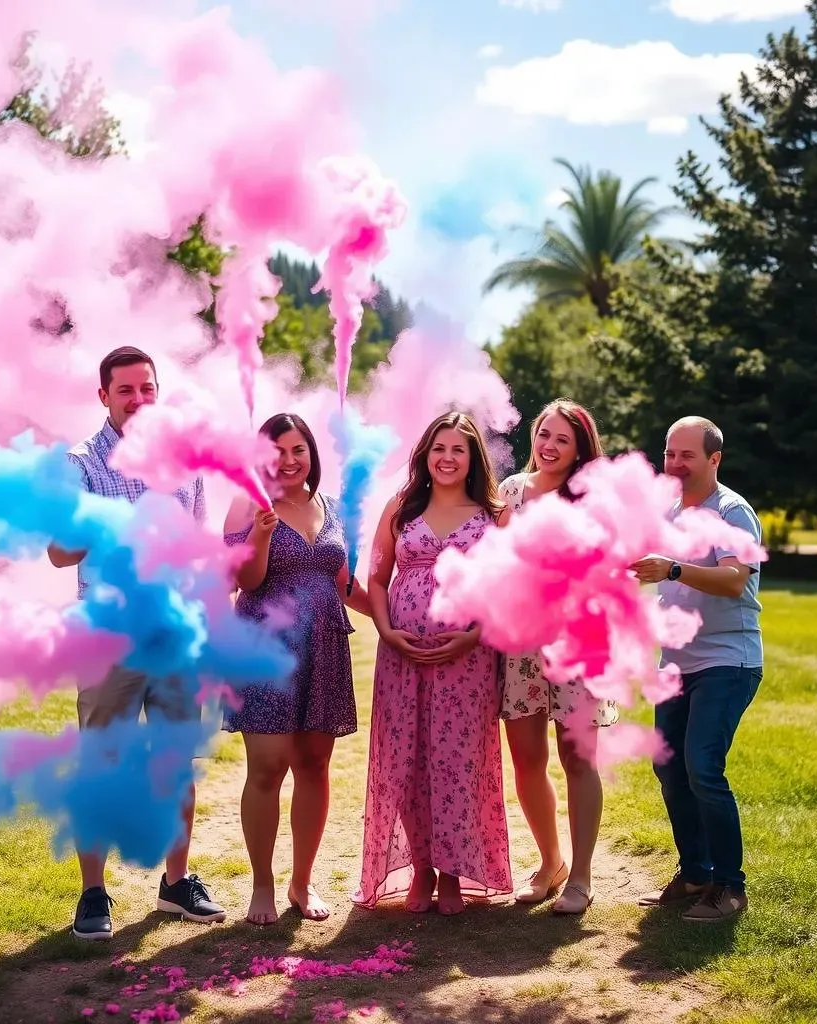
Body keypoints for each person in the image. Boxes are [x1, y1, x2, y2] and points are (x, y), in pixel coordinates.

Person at [47, 345, 226, 940]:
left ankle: (176, 886)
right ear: (104, 397)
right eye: (126, 390)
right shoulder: (80, 463)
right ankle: (93, 896)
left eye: (147, 388)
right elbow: (57, 552)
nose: (139, 399)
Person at [354, 411, 512, 916]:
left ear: (472, 459)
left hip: (467, 658)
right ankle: (420, 867)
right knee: (408, 759)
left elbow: (507, 588)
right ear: (425, 454)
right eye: (438, 449)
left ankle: (450, 872)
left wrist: (473, 637)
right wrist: (385, 630)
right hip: (402, 656)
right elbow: (376, 579)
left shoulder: (493, 514)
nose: (447, 458)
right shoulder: (401, 508)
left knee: (459, 760)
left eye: (458, 450)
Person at [223, 412, 371, 926]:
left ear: (311, 454)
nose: (288, 461)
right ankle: (261, 886)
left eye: (298, 450)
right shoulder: (247, 504)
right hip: (264, 649)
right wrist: (260, 536)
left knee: (314, 766)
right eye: (276, 452)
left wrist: (397, 624)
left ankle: (301, 883)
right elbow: (245, 580)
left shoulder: (328, 507)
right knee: (267, 767)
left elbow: (345, 584)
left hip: (323, 651)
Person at [632, 416, 762, 922]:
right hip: (677, 665)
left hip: (728, 661)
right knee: (669, 767)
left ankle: (731, 888)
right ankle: (696, 872)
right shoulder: (668, 513)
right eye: (669, 454)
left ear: (714, 460)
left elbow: (733, 581)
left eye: (687, 455)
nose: (675, 464)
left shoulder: (732, 511)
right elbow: (654, 569)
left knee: (702, 768)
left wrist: (673, 568)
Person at [499, 399, 617, 916]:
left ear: (579, 450)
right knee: (527, 758)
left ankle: (582, 877)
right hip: (520, 643)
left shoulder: (593, 498)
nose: (548, 445)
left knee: (577, 758)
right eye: (543, 433)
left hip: (578, 641)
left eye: (561, 439)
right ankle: (551, 863)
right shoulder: (509, 492)